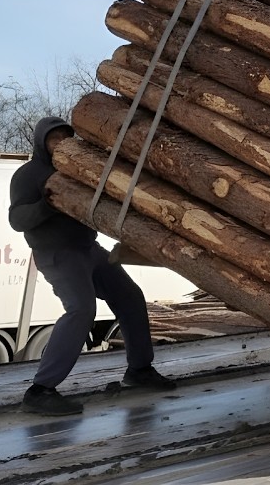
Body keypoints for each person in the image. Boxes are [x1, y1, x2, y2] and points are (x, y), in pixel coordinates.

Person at [9, 116, 175, 416]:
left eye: (65, 137)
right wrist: (46, 205)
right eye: (54, 139)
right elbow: (17, 220)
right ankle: (40, 391)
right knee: (81, 310)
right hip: (58, 254)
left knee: (130, 297)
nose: (60, 143)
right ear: (41, 143)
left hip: (89, 248)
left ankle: (139, 370)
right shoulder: (28, 175)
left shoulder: (76, 170)